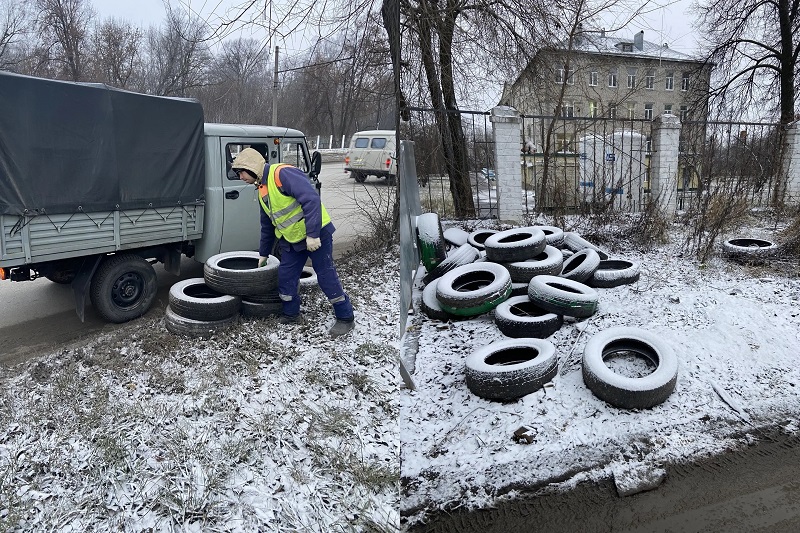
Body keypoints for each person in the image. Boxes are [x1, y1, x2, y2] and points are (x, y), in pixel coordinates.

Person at [230, 147, 355, 337]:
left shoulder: (282, 174)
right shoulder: (262, 188)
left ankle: (345, 317)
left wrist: (313, 235)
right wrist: (263, 253)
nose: (240, 178)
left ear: (252, 168)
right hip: (292, 239)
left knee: (326, 275)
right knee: (286, 276)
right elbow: (267, 224)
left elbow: (311, 200)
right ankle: (291, 314)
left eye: (241, 173)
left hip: (316, 234)